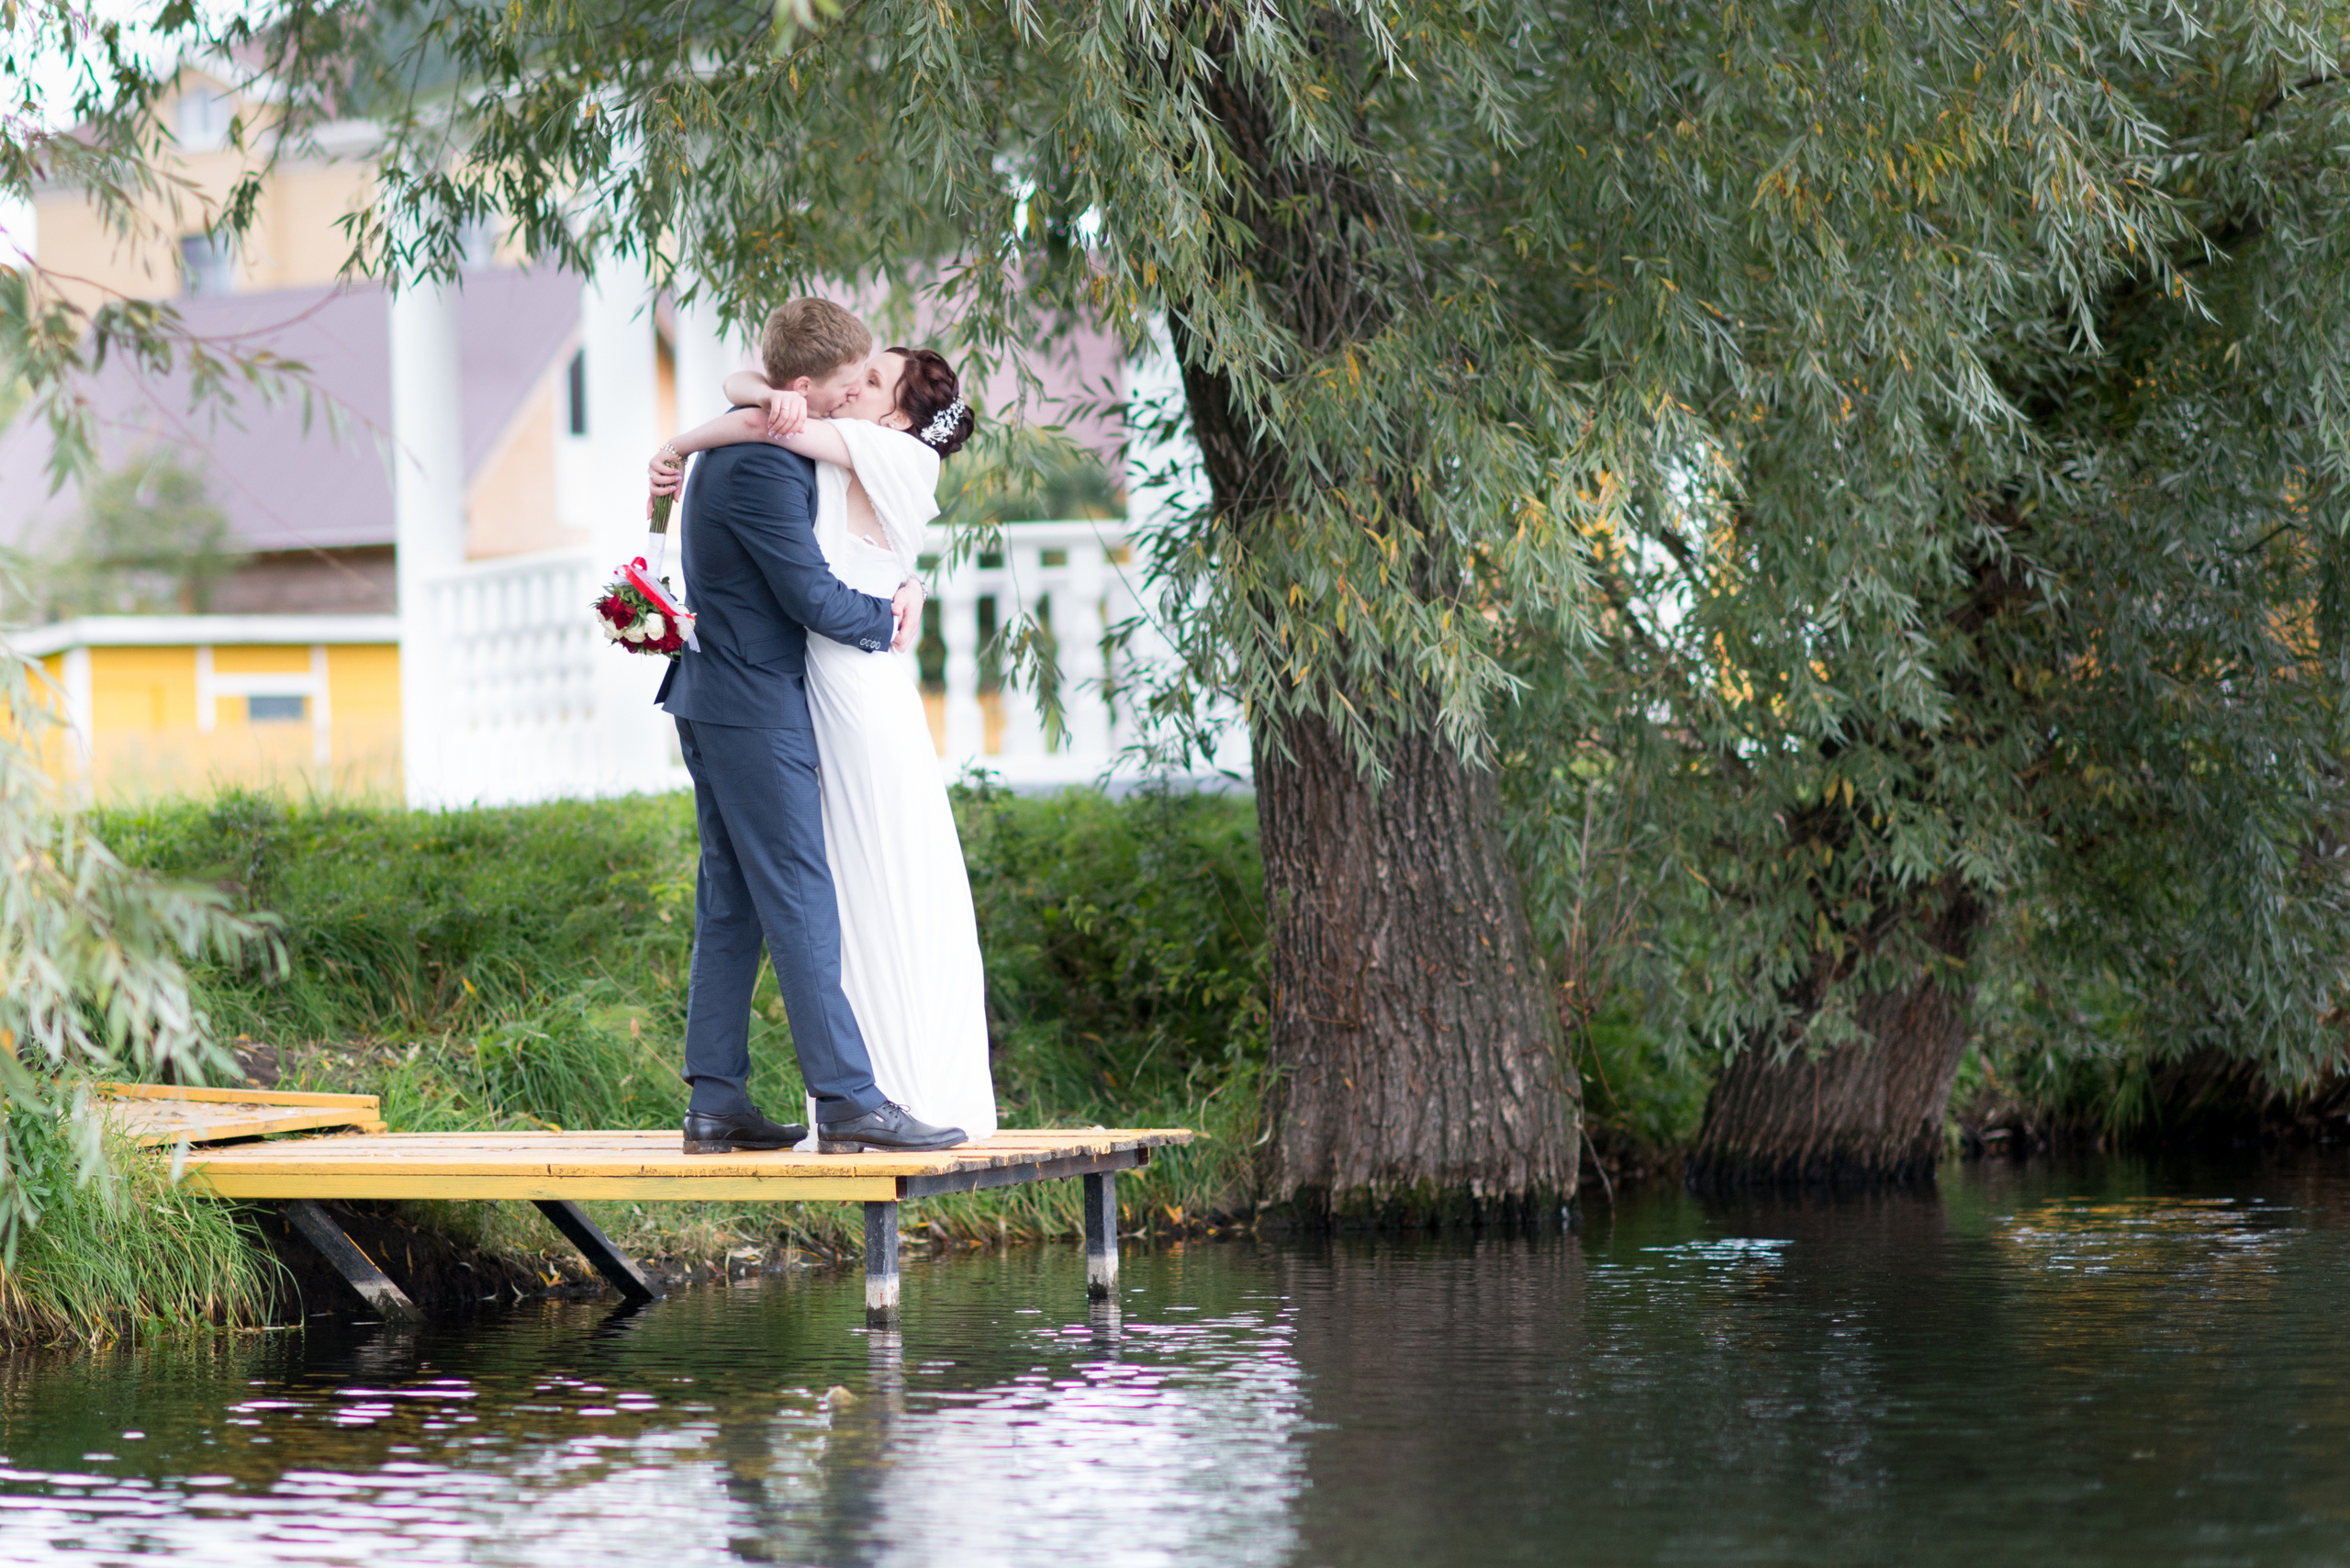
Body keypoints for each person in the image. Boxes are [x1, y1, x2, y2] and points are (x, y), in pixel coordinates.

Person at [652, 334, 998, 1149]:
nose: (853, 390)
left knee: (768, 893)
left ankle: (733, 1098)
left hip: (812, 693)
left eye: (871, 381)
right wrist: (894, 606)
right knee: (789, 892)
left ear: (902, 418)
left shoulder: (869, 451)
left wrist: (678, 444)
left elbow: (754, 408)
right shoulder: (789, 452)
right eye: (854, 376)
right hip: (767, 697)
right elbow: (810, 587)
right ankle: (840, 1099)